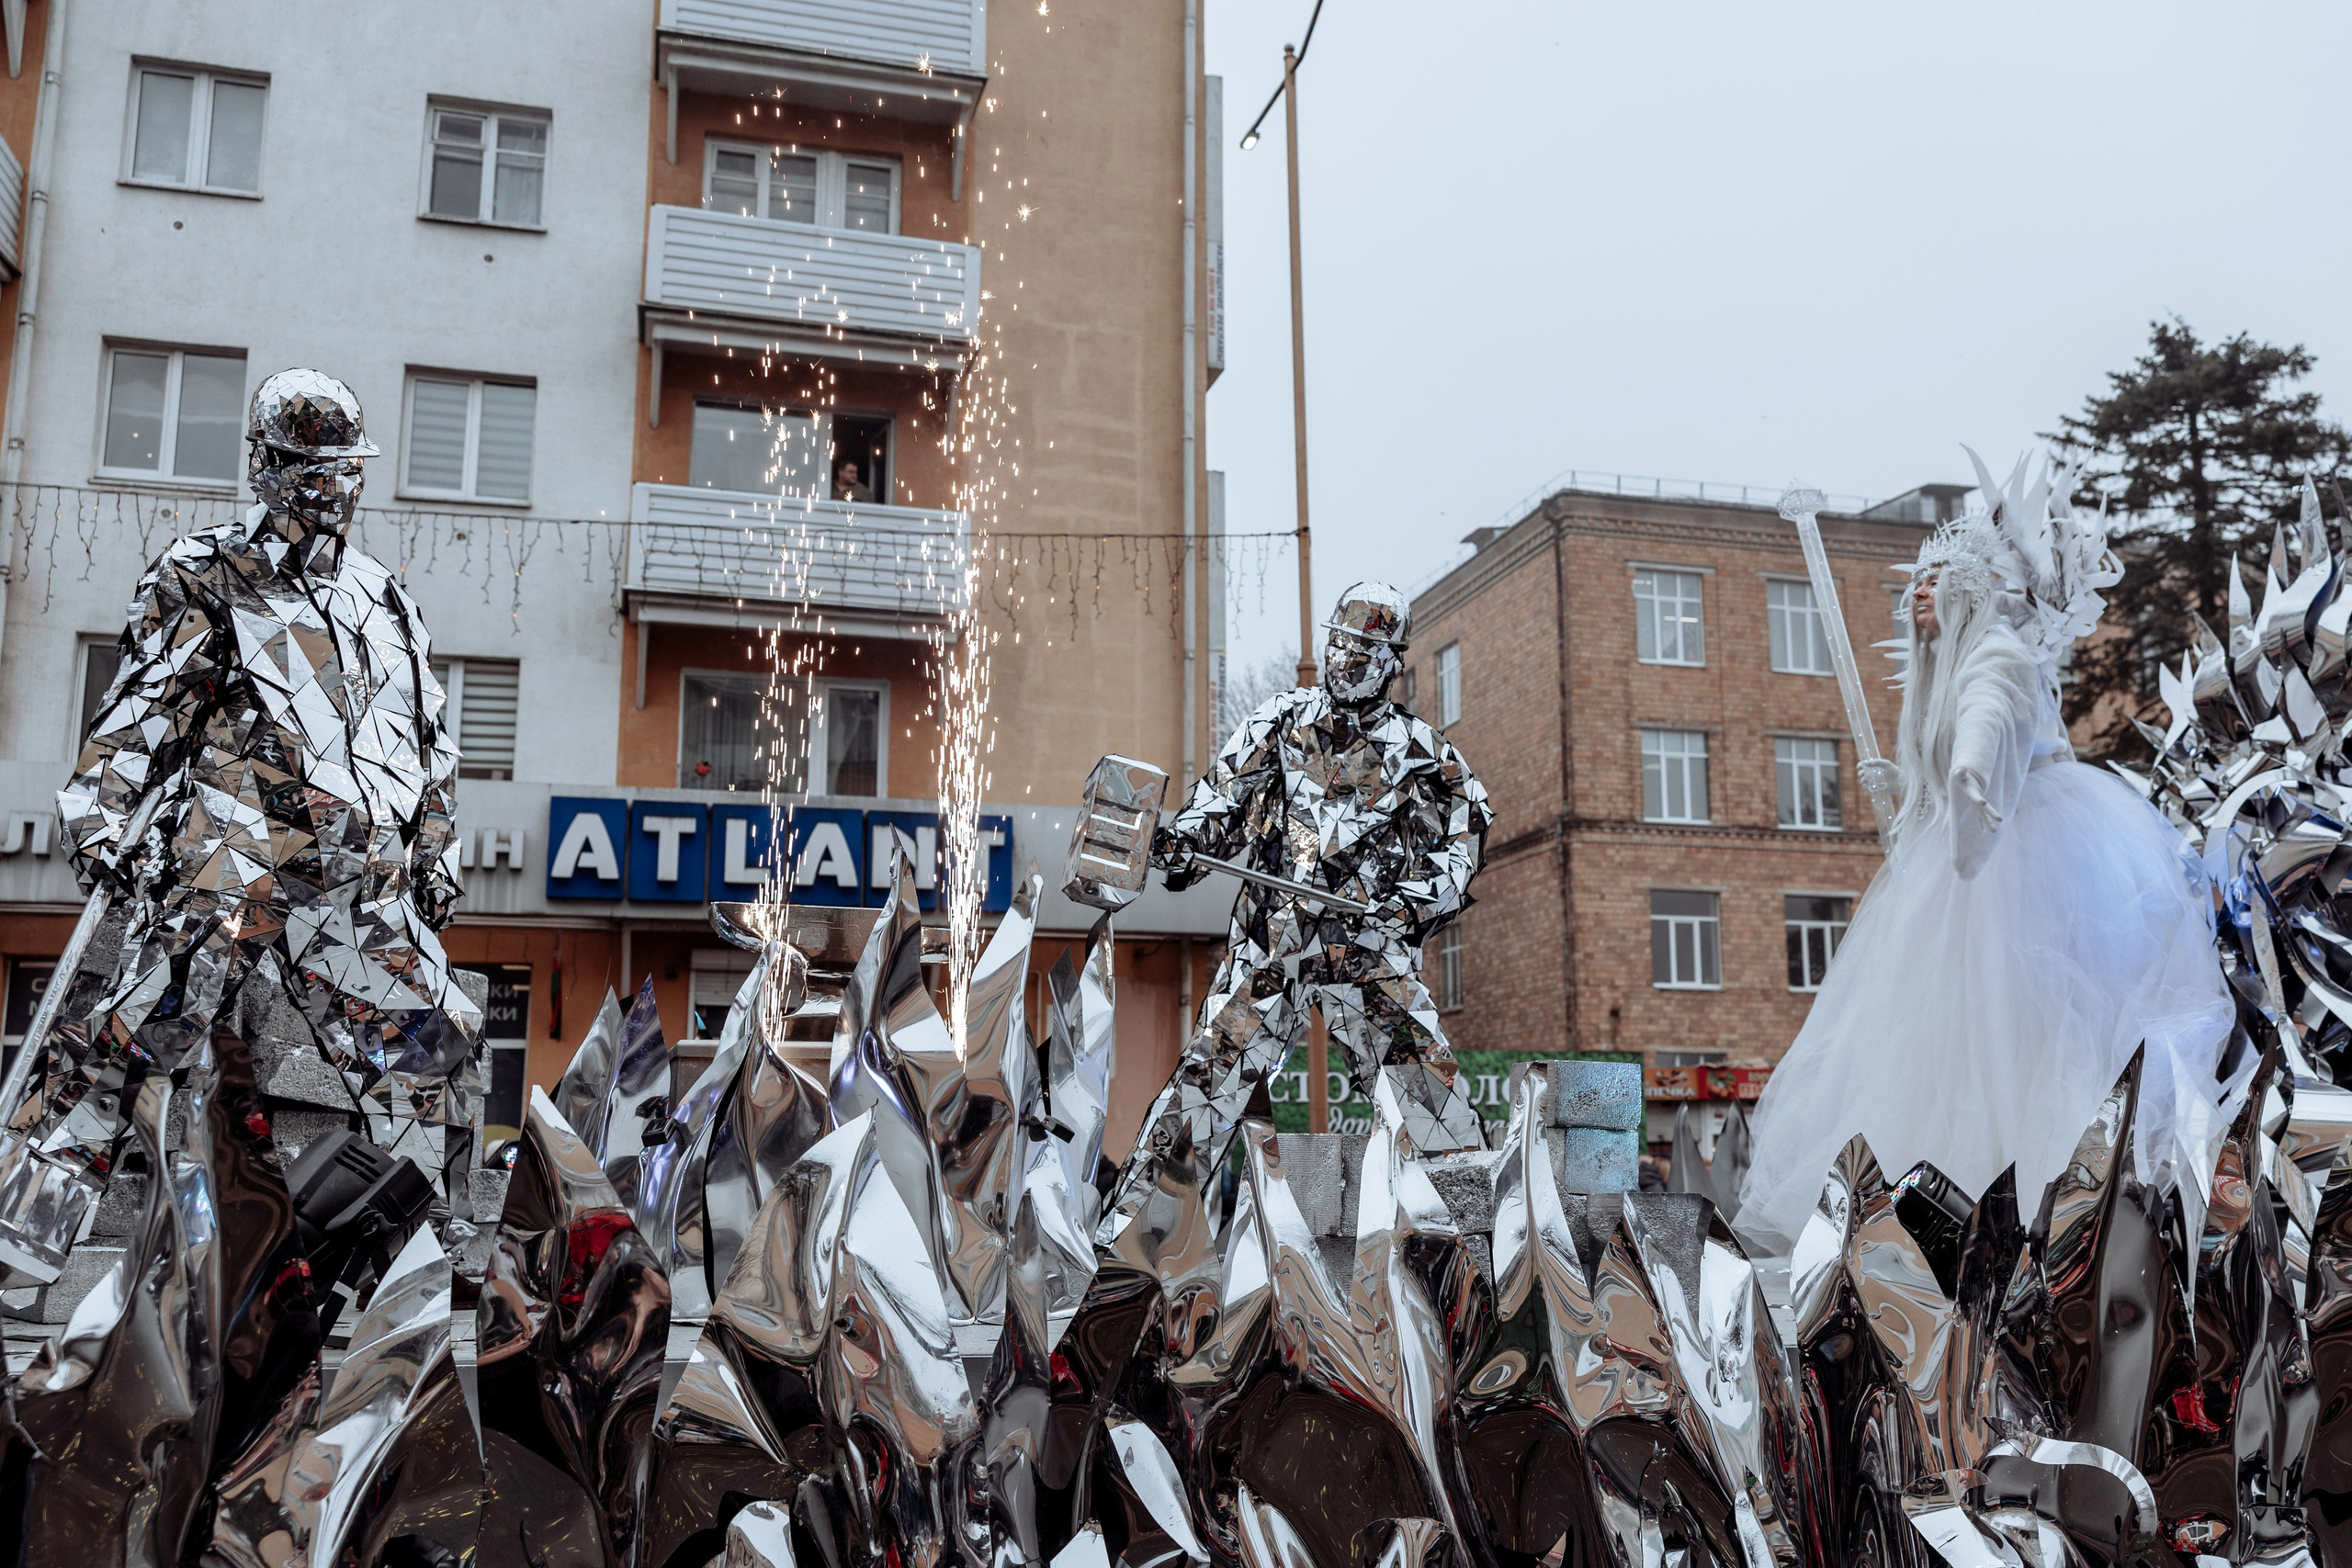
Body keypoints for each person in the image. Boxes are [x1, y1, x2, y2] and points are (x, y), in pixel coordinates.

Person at [1736, 456, 2240, 1253]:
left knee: (2020, 1024)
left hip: (2024, 849)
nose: (1920, 593)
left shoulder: (1996, 655)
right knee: (1940, 1040)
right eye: (1918, 583)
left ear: (1974, 589)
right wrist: (1917, 795)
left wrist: (1969, 774)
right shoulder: (1947, 674)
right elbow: (1955, 752)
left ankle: (2041, 1205)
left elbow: (1988, 716)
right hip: (1966, 853)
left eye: (1938, 579)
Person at [28, 368, 483, 1215]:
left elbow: (431, 735)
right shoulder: (209, 572)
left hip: (357, 876)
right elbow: (144, 707)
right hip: (235, 857)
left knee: (430, 1043)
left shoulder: (383, 598)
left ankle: (404, 1247)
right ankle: (24, 1228)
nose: (333, 489)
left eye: (347, 469)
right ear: (264, 466)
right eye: (313, 468)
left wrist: (434, 848)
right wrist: (100, 818)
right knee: (134, 1037)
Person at [1099, 581, 1495, 1244]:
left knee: (1430, 1095)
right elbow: (1222, 801)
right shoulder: (1283, 720)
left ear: (1392, 661)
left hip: (1365, 952)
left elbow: (1463, 839)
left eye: (1364, 650)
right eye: (1339, 644)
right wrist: (1184, 841)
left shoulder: (1423, 753)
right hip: (1272, 944)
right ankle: (1129, 1246)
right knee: (1204, 1087)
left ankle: (1481, 1251)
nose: (1345, 660)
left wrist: (1409, 900)